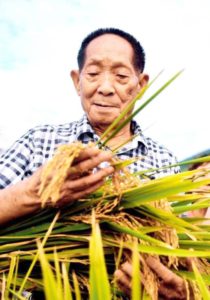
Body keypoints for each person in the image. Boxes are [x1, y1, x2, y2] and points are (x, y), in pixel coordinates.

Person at [0, 27, 183, 298]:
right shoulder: (40, 142)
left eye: (121, 76)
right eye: (93, 74)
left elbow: (180, 260)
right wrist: (34, 194)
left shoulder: (165, 163)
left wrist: (172, 291)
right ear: (77, 81)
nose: (105, 88)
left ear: (141, 85)